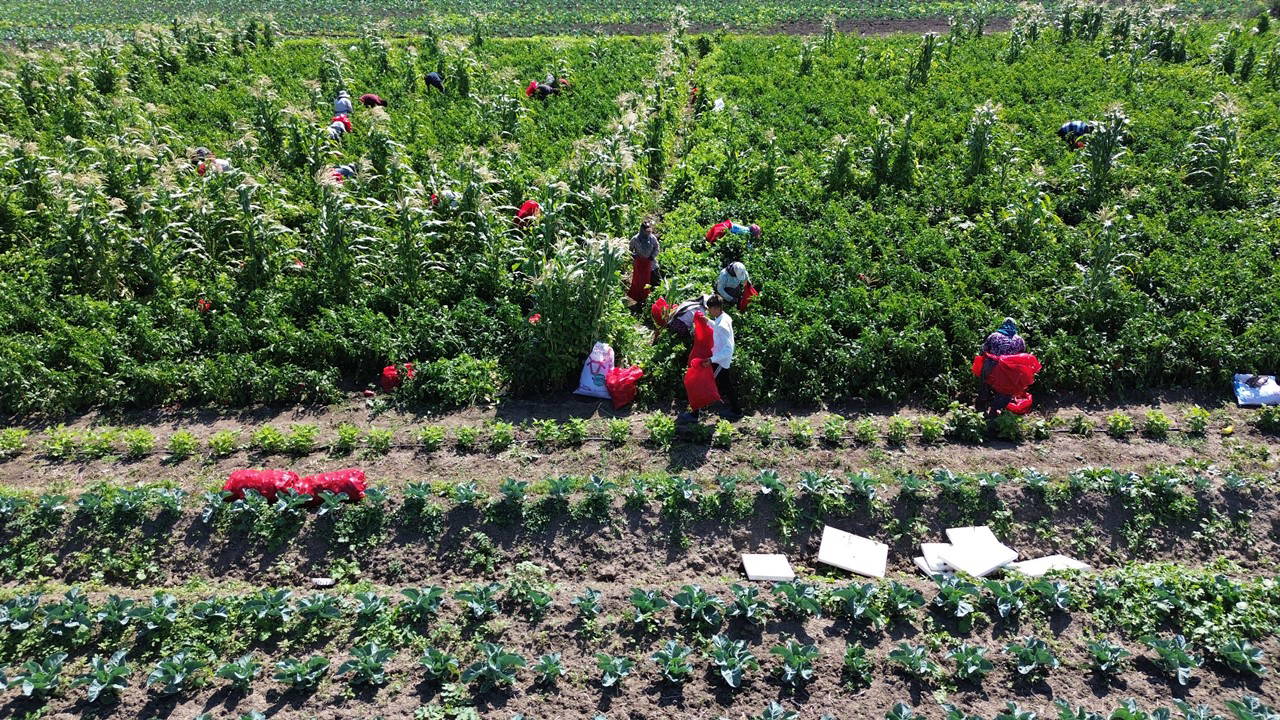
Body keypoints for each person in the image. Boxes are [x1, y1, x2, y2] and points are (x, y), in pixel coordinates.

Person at [681, 294, 740, 422]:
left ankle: (696, 413)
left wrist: (711, 360)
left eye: (710, 309)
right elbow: (718, 329)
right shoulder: (724, 317)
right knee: (726, 385)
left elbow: (728, 349)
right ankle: (736, 410)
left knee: (699, 382)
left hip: (719, 361)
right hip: (720, 360)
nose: (709, 311)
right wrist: (708, 321)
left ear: (717, 308)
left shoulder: (722, 325)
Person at [976, 317, 1028, 416]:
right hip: (1009, 370)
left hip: (992, 365)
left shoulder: (994, 336)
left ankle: (981, 407)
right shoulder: (1019, 340)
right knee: (1006, 390)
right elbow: (1021, 356)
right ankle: (995, 411)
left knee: (985, 383)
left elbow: (984, 350)